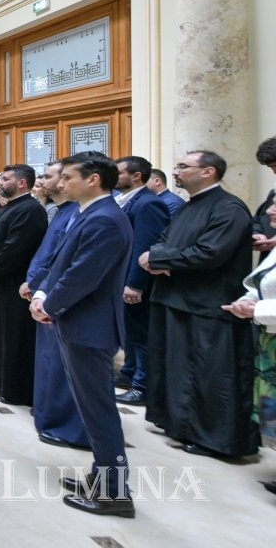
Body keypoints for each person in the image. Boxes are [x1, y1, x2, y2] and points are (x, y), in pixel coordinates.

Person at [29, 152, 133, 517]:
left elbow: (82, 275)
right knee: (92, 408)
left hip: (90, 327)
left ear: (93, 180)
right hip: (79, 322)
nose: (60, 183)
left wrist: (49, 304)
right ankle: (101, 476)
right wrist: (44, 293)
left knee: (99, 410)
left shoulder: (105, 219)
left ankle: (115, 493)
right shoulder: (88, 213)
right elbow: (64, 262)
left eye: (68, 177)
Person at [138, 150, 259, 458]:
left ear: (208, 172)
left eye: (183, 166)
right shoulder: (188, 206)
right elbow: (164, 240)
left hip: (208, 304)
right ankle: (181, 425)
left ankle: (214, 439)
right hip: (177, 298)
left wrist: (160, 260)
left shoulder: (229, 208)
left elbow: (210, 253)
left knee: (208, 374)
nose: (175, 171)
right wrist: (157, 257)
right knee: (179, 371)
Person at [23, 161, 88, 449]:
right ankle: (49, 414)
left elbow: (66, 262)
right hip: (46, 294)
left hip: (62, 301)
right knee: (50, 362)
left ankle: (68, 426)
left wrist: (42, 288)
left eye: (50, 176)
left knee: (65, 369)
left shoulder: (85, 215)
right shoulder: (64, 212)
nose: (44, 181)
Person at [0, 164, 48, 405]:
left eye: (5, 179)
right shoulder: (9, 206)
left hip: (13, 280)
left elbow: (15, 247)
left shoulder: (30, 210)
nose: (0, 183)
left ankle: (13, 387)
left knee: (12, 334)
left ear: (21, 183)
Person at [222, 193, 276, 495]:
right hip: (270, 338)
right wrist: (247, 300)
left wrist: (258, 309)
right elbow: (263, 282)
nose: (269, 210)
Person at [112, 155, 172, 406]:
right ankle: (128, 373)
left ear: (136, 176)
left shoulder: (148, 203)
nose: (114, 177)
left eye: (119, 172)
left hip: (137, 282)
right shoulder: (126, 200)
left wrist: (135, 283)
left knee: (141, 335)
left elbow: (144, 246)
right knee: (130, 333)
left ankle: (142, 385)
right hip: (122, 278)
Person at [251, 136, 276, 261]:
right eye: (271, 167)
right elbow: (258, 220)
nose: (274, 172)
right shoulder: (274, 192)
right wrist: (257, 234)